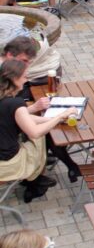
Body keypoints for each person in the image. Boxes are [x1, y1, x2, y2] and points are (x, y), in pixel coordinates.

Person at [1, 37, 82, 183]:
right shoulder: (15, 103)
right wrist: (60, 116)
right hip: (8, 165)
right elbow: (34, 131)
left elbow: (19, 116)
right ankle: (36, 182)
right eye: (24, 77)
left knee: (42, 127)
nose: (27, 80)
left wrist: (53, 119)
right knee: (40, 137)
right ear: (13, 78)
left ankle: (66, 165)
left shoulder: (4, 97)